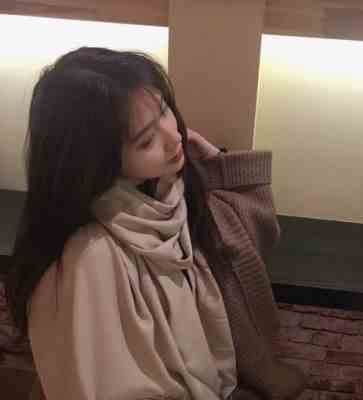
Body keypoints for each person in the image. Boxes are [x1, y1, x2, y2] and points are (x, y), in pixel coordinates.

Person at [4, 47, 306, 400]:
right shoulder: (89, 258)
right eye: (147, 140)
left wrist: (217, 161)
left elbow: (257, 236)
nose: (174, 136)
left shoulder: (166, 191)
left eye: (165, 111)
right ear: (97, 161)